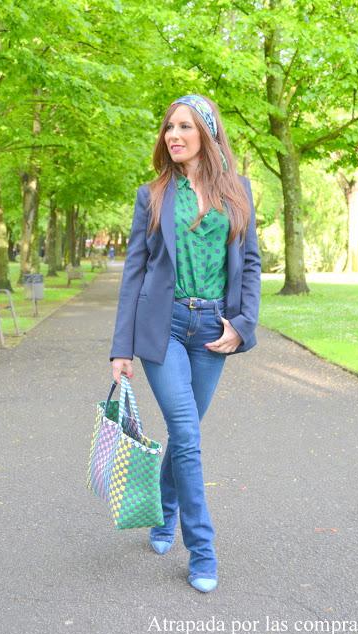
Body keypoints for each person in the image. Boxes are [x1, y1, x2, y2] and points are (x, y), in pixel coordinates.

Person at [109, 94, 261, 593]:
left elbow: (252, 264)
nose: (173, 135)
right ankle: (202, 550)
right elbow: (134, 272)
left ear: (208, 135)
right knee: (189, 437)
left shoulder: (239, 192)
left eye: (185, 127)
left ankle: (165, 507)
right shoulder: (151, 195)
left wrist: (242, 324)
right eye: (169, 127)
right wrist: (121, 349)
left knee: (185, 432)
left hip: (214, 330)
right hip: (165, 328)